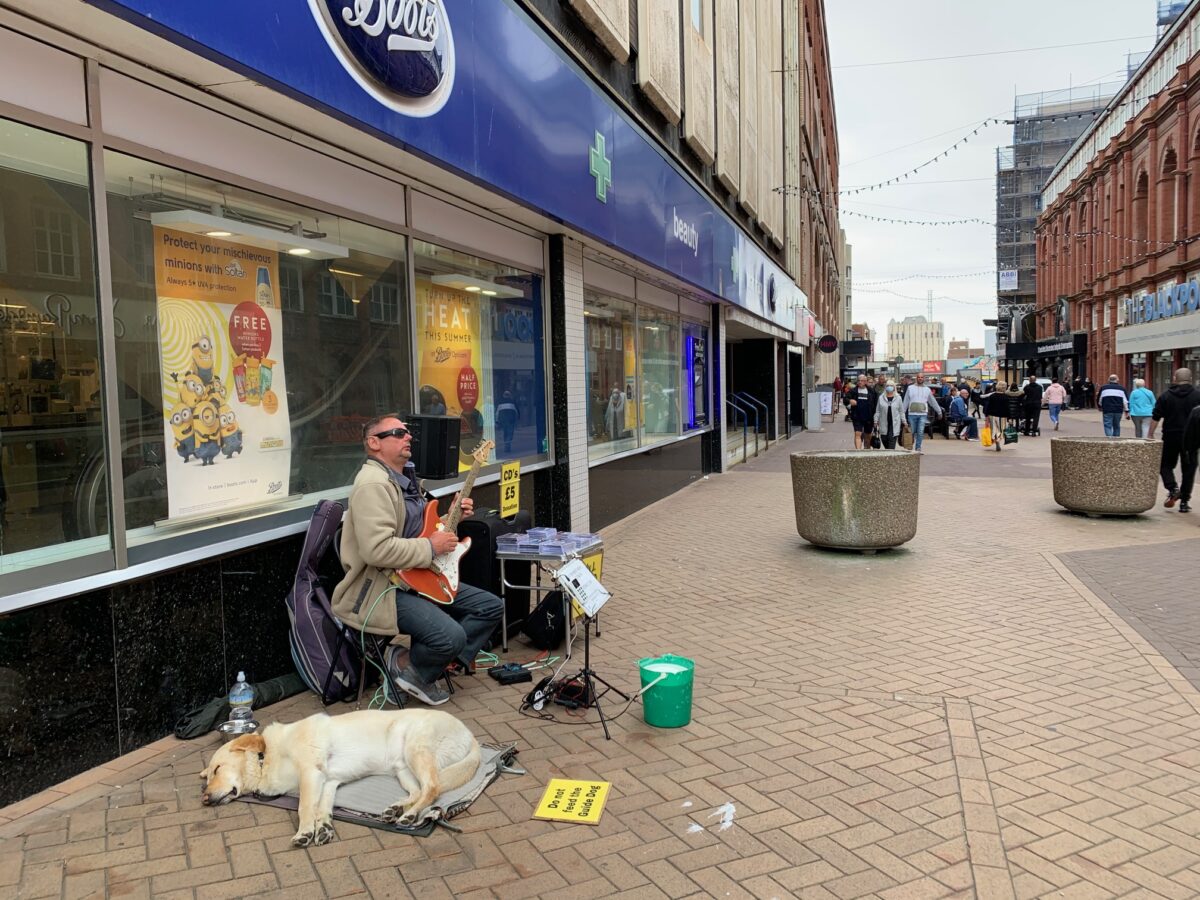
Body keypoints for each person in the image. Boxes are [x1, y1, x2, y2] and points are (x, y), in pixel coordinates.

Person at [331, 414, 503, 706]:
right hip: (382, 587)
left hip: (419, 575)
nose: (408, 436)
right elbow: (377, 550)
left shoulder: (405, 480)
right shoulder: (373, 485)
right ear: (374, 443)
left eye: (408, 432)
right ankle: (412, 667)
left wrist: (452, 518)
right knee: (452, 636)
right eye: (398, 433)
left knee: (490, 607)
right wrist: (431, 547)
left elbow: (420, 532)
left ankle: (417, 666)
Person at [1147, 368, 1200, 511]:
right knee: (1189, 468)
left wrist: (1150, 434)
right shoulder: (1197, 395)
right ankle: (1184, 502)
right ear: (1191, 379)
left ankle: (1173, 488)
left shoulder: (1166, 396)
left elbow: (1156, 416)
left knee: (1165, 465)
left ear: (1175, 378)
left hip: (1171, 435)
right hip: (1192, 438)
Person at [901, 373, 941, 454]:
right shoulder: (910, 388)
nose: (920, 378)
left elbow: (932, 401)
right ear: (916, 378)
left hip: (923, 414)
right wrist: (902, 413)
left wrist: (939, 411)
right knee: (912, 432)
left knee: (920, 431)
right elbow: (906, 401)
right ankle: (910, 447)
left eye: (921, 377)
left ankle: (918, 448)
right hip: (912, 414)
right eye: (918, 377)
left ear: (924, 379)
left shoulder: (927, 389)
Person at [848, 374, 876, 449]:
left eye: (862, 381)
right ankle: (858, 452)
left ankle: (867, 450)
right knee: (858, 433)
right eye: (859, 380)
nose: (860, 382)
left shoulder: (871, 391)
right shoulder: (853, 391)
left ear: (866, 382)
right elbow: (845, 399)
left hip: (869, 417)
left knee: (868, 435)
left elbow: (875, 404)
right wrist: (850, 401)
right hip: (857, 416)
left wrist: (876, 417)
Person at [874, 380, 904, 449]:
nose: (889, 387)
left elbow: (901, 411)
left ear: (894, 387)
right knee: (884, 439)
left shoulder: (898, 398)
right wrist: (875, 420)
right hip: (883, 423)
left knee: (891, 442)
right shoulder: (881, 398)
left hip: (894, 424)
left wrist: (904, 421)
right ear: (885, 387)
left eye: (891, 386)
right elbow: (878, 411)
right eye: (888, 386)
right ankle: (888, 453)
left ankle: (891, 454)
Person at [1182, 403, 1200, 512]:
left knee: (1189, 474)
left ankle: (1184, 501)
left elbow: (1188, 432)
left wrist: (1187, 449)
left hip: (1195, 446)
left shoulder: (1196, 411)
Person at [983, 381, 1009, 452]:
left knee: (994, 429)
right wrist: (1009, 417)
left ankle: (996, 439)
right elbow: (1007, 408)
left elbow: (988, 406)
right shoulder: (1006, 397)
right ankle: (998, 439)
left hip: (992, 415)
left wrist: (986, 416)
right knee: (1002, 430)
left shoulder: (992, 396)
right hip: (1002, 416)